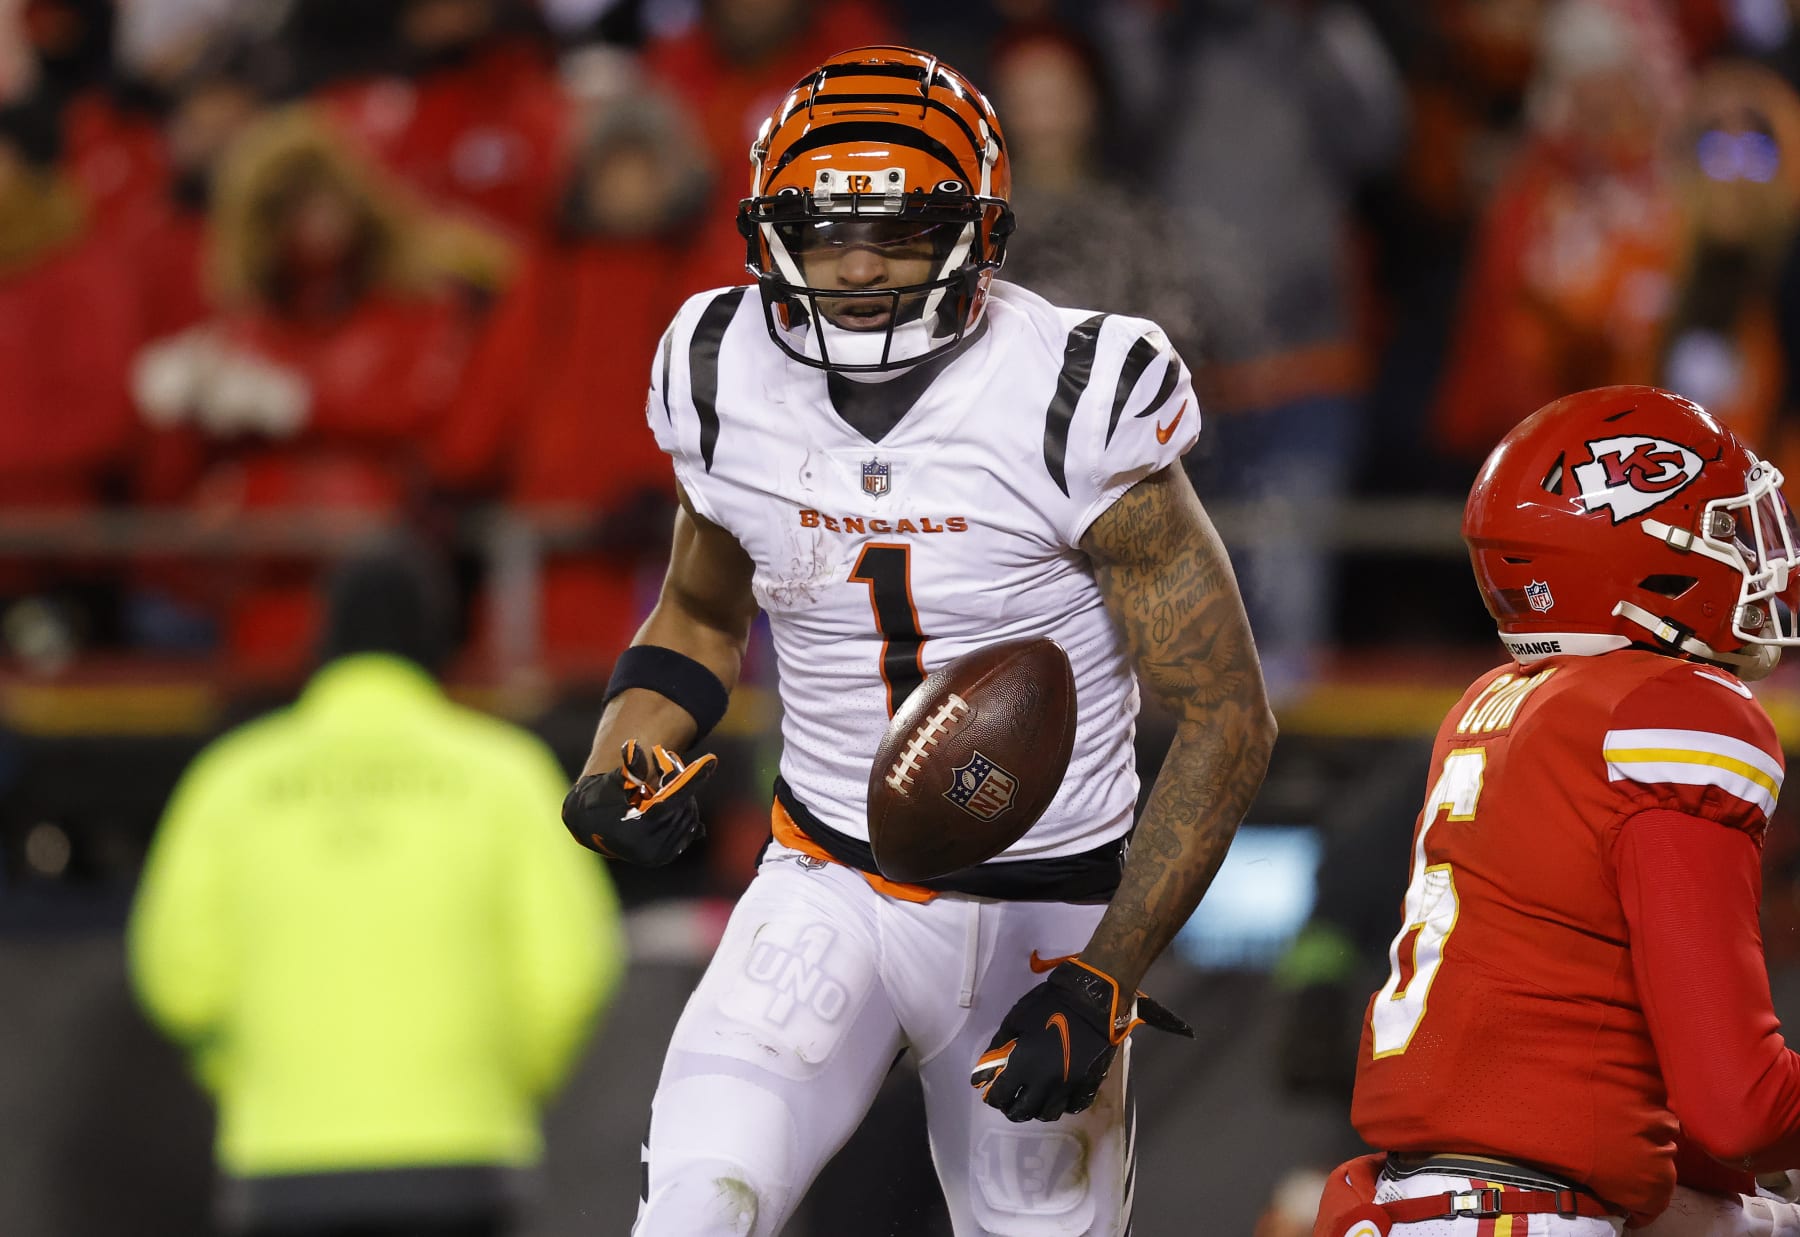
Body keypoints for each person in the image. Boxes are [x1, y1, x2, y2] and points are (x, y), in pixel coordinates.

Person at [559, 45, 1277, 1236]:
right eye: (824, 228)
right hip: (826, 876)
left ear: (977, 234)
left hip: (1047, 916)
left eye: (897, 234)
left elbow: (1224, 711)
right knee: (697, 1208)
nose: (852, 264)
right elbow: (698, 610)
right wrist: (613, 762)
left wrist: (1110, 974)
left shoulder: (1071, 392)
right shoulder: (716, 365)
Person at [1313, 384, 1800, 1236]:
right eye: (1724, 529)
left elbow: (1607, 1077)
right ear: (1642, 556)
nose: (1761, 556)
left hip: (1425, 1200)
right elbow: (1740, 1104)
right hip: (1522, 1212)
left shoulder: (1496, 705)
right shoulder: (1674, 712)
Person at [128, 538, 624, 1237]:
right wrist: (506, 1075)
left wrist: (245, 1069)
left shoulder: (232, 778)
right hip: (465, 1152)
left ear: (323, 639)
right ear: (440, 641)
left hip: (280, 1157)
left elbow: (178, 976)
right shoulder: (506, 773)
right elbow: (571, 964)